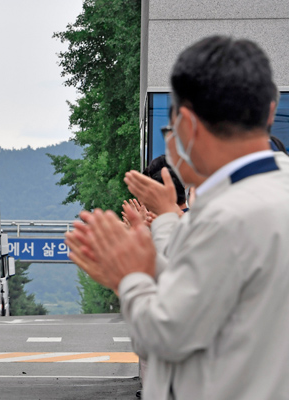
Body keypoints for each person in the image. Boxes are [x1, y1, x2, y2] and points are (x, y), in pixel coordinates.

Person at [66, 36, 289, 399]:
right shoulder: (269, 190)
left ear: (186, 124)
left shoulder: (227, 215)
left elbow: (166, 334)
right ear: (269, 112)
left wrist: (130, 277)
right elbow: (216, 296)